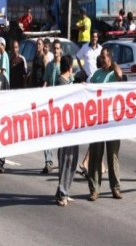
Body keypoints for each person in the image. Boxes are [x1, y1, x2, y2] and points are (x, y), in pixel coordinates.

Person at [88, 48, 123, 201]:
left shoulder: (113, 75)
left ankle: (115, 187)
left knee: (113, 155)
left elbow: (120, 75)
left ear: (109, 58)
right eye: (101, 58)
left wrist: (113, 64)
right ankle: (94, 189)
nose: (102, 60)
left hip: (112, 122)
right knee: (95, 156)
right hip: (97, 121)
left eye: (104, 57)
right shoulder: (96, 75)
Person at [55, 55, 78, 207]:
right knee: (65, 160)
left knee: (73, 159)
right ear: (69, 67)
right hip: (64, 128)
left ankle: (66, 191)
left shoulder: (69, 82)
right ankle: (61, 193)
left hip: (73, 127)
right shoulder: (60, 82)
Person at [41, 39, 64, 173]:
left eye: (57, 48)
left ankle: (62, 162)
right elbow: (46, 82)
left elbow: (69, 80)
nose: (55, 51)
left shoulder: (64, 65)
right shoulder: (49, 66)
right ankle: (48, 162)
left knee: (61, 135)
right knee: (47, 134)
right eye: (54, 48)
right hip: (50, 105)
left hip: (61, 106)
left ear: (60, 50)